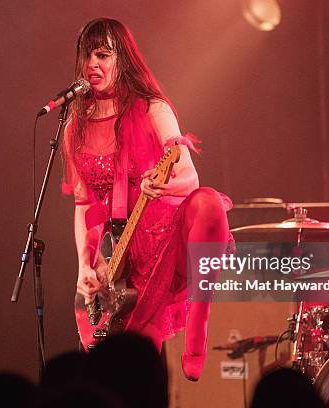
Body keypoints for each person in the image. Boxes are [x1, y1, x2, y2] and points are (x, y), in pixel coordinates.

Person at [62, 18, 232, 381]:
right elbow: (83, 206)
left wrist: (162, 184)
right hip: (129, 253)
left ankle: (198, 333)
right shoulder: (74, 125)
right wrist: (84, 266)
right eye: (87, 56)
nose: (92, 64)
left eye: (103, 55)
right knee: (136, 372)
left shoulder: (152, 107)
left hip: (170, 235)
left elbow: (187, 173)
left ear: (122, 59)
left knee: (208, 203)